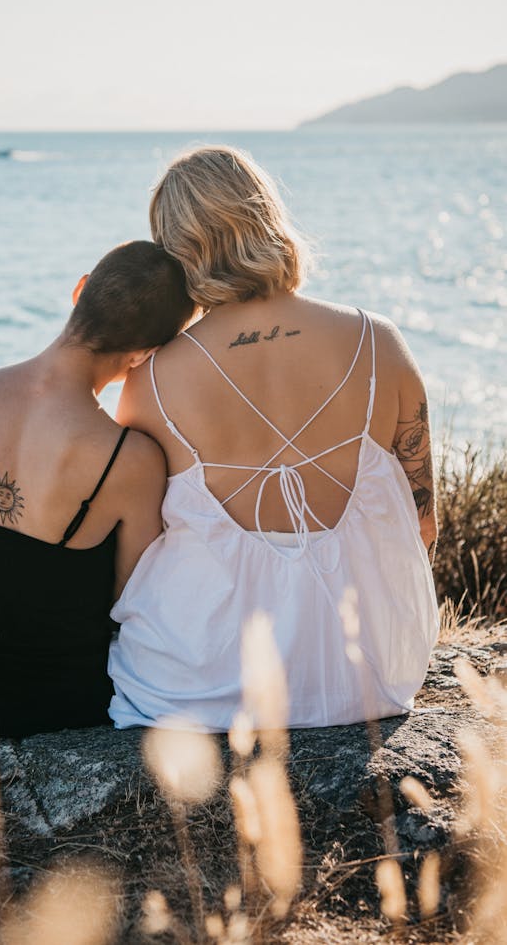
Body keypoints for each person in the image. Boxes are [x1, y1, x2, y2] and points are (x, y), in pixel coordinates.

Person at [109, 146, 440, 731]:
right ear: (267, 217)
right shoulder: (378, 343)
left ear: (176, 251)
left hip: (209, 682)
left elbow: (133, 556)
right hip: (365, 674)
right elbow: (423, 526)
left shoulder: (152, 382)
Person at [0, 240, 193, 746]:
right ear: (145, 354)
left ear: (79, 289)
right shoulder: (129, 460)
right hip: (50, 713)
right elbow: (129, 598)